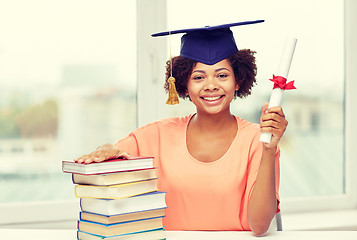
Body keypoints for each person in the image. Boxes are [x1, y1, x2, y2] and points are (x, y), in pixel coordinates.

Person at [75, 20, 288, 236]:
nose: (211, 85)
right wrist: (107, 150)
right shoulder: (158, 135)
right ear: (184, 84)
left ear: (238, 81)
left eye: (222, 75)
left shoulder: (258, 140)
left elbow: (260, 227)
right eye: (198, 77)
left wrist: (269, 150)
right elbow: (116, 152)